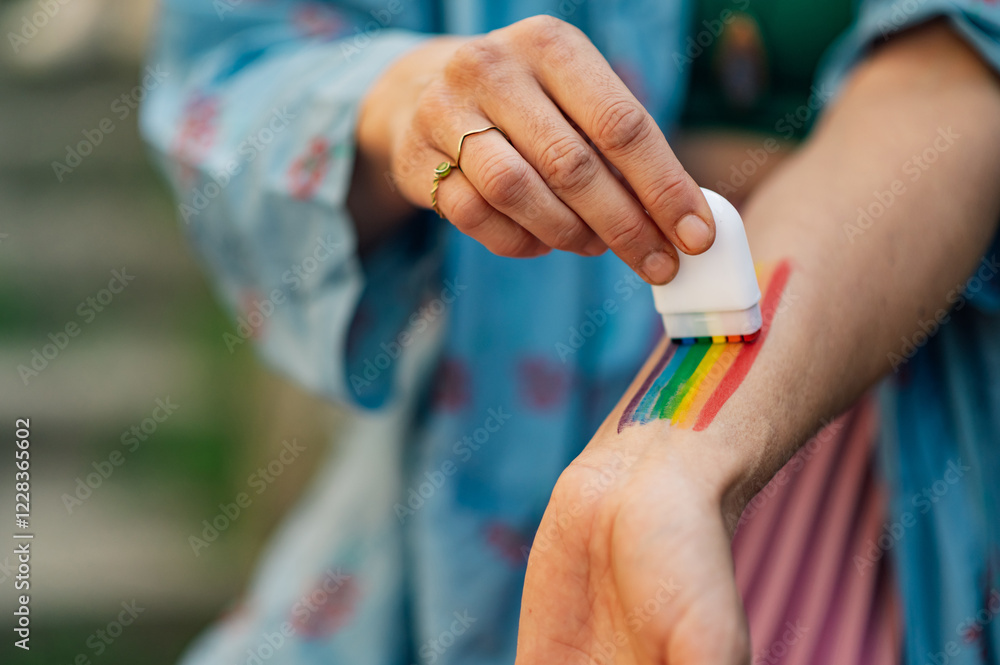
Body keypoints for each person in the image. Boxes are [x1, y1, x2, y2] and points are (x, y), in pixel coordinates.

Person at [141, 0, 1000, 663]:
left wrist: (669, 459)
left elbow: (953, 85)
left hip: (921, 460)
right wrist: (410, 100)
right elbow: (233, 72)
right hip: (469, 500)